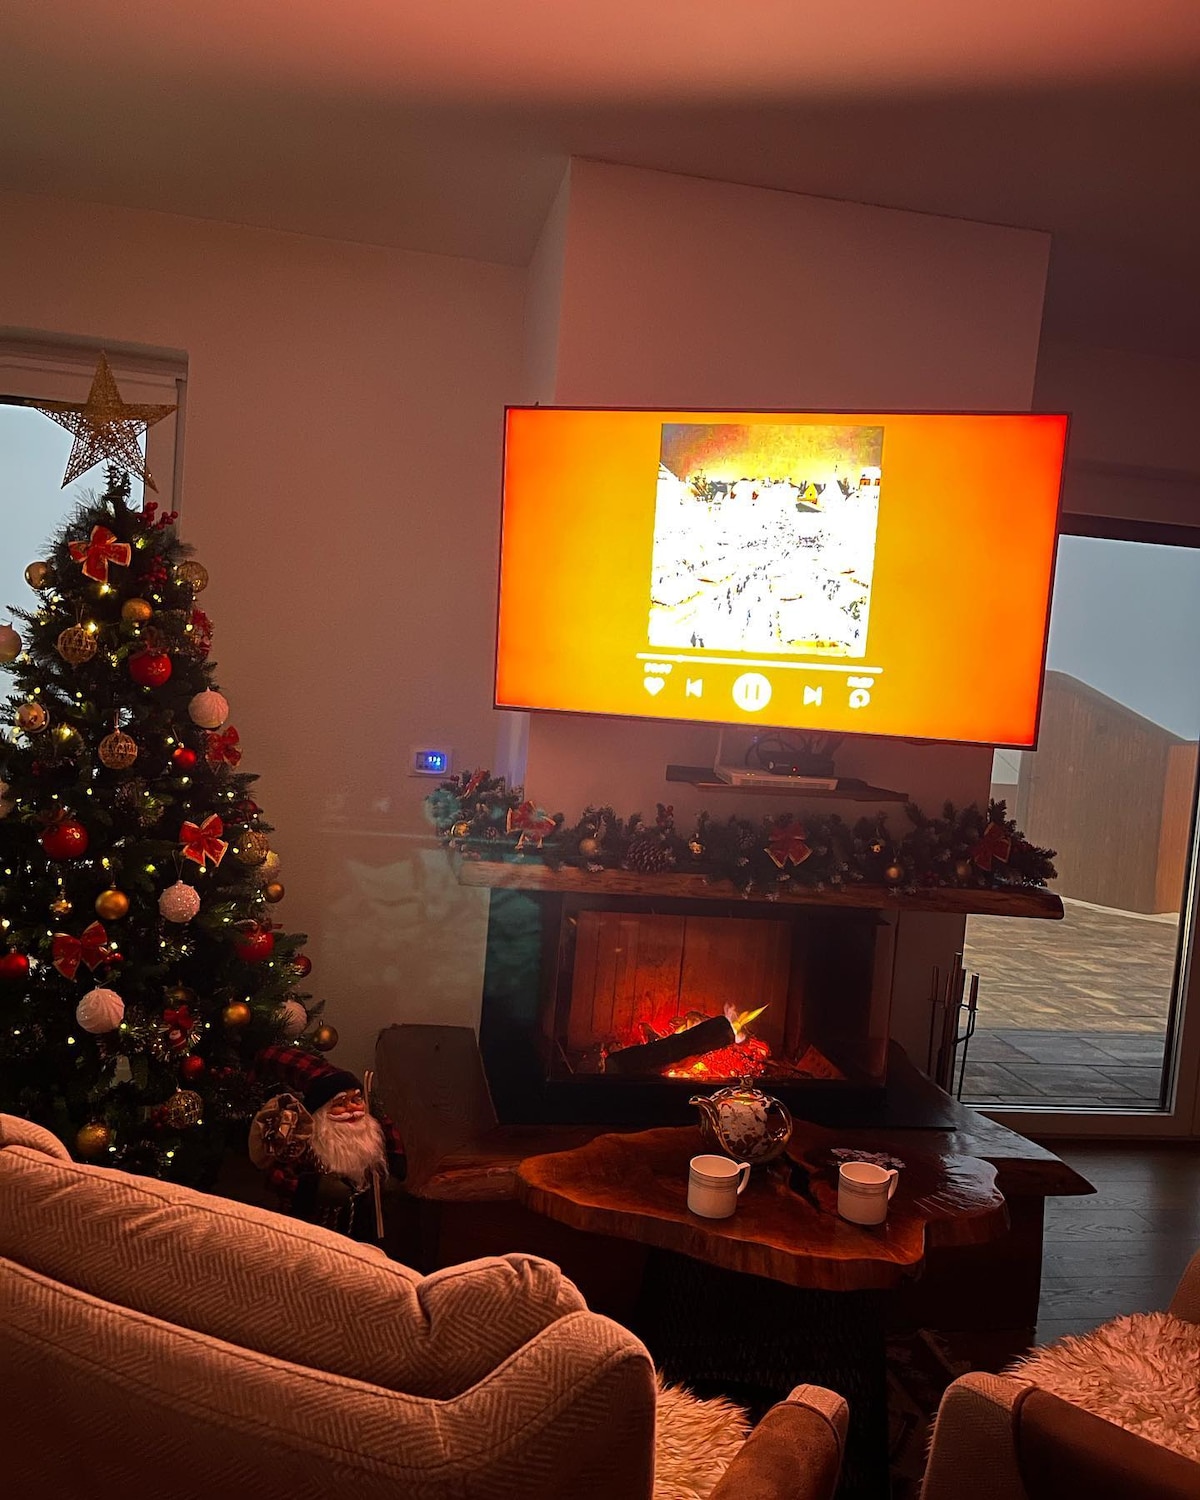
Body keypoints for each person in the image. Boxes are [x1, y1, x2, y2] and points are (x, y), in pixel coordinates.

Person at [249, 1044, 404, 1240]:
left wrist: (394, 1173)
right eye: (340, 1103)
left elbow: (394, 1147)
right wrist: (312, 1188)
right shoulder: (303, 1142)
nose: (351, 1109)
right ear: (320, 1113)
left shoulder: (373, 1133)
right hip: (312, 1232)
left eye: (356, 1100)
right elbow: (276, 1177)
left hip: (362, 1231)